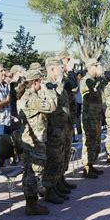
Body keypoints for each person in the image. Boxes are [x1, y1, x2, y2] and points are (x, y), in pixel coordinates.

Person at [17, 69, 57, 215]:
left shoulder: (29, 96)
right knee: (34, 172)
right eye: (41, 81)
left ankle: (31, 203)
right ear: (35, 82)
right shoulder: (31, 98)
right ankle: (32, 204)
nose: (42, 83)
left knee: (29, 172)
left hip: (31, 140)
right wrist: (48, 91)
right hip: (34, 140)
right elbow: (52, 106)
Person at [41, 57, 71, 203]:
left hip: (62, 127)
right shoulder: (47, 85)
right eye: (61, 68)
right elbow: (54, 101)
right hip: (53, 129)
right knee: (53, 160)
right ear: (52, 69)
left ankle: (58, 183)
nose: (63, 70)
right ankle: (49, 190)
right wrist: (59, 83)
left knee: (60, 158)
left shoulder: (59, 83)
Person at [80, 59, 106, 178]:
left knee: (95, 141)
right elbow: (93, 93)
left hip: (96, 115)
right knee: (88, 142)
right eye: (97, 66)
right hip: (89, 116)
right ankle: (86, 168)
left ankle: (91, 165)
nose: (99, 68)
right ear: (91, 67)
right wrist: (101, 81)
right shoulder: (86, 80)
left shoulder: (95, 80)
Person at [59, 51, 78, 190]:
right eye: (68, 60)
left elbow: (74, 86)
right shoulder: (57, 78)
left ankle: (61, 178)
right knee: (59, 153)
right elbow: (71, 85)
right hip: (60, 121)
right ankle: (55, 183)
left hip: (68, 118)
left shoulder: (65, 76)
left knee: (66, 151)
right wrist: (71, 71)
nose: (70, 62)